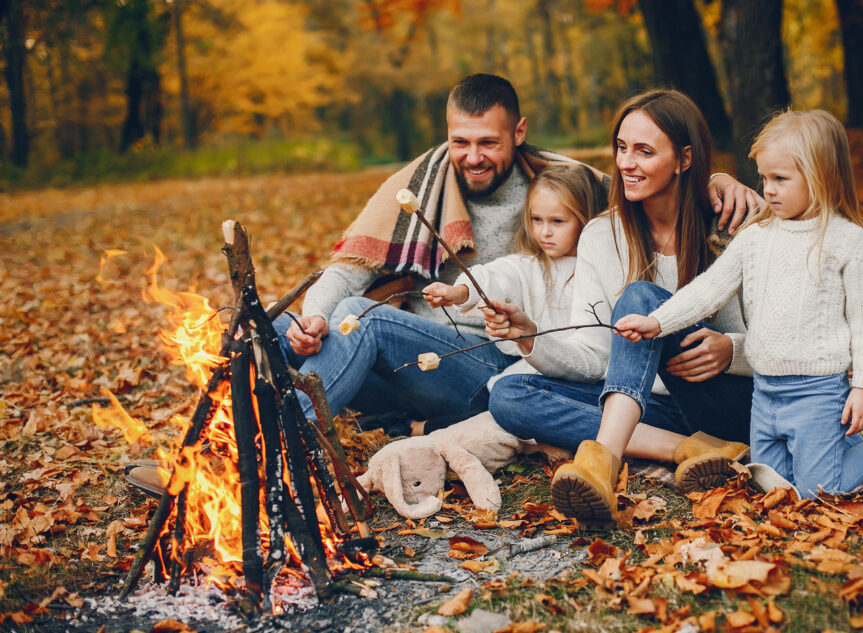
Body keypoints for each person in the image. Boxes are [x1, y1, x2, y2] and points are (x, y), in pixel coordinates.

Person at [278, 75, 760, 434]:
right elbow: (346, 271)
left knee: (363, 319)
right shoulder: (418, 185)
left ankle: (287, 449)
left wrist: (714, 185)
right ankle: (252, 445)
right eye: (460, 142)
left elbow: (647, 190)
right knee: (279, 327)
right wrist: (311, 318)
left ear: (519, 132)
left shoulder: (566, 183)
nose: (472, 156)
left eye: (488, 142)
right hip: (425, 360)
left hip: (490, 357)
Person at [486, 89, 760, 522]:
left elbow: (787, 340)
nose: (626, 164)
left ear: (684, 159)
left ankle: (603, 462)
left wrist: (733, 351)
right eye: (621, 148)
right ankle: (693, 450)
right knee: (509, 394)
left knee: (639, 297)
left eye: (644, 151)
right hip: (650, 409)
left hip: (727, 398)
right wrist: (530, 336)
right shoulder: (601, 236)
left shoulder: (731, 224)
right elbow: (595, 357)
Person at [614, 109, 863, 501]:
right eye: (763, 178)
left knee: (819, 491)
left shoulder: (845, 241)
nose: (767, 190)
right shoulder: (757, 235)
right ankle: (837, 452)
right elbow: (709, 289)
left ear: (820, 177)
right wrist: (657, 322)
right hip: (765, 392)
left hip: (817, 392)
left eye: (780, 179)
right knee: (769, 485)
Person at [423, 163, 604, 393]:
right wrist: (460, 292)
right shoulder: (530, 266)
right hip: (537, 369)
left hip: (589, 375)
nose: (544, 232)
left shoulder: (600, 269)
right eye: (537, 219)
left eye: (557, 221)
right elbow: (497, 276)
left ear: (586, 219)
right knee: (502, 390)